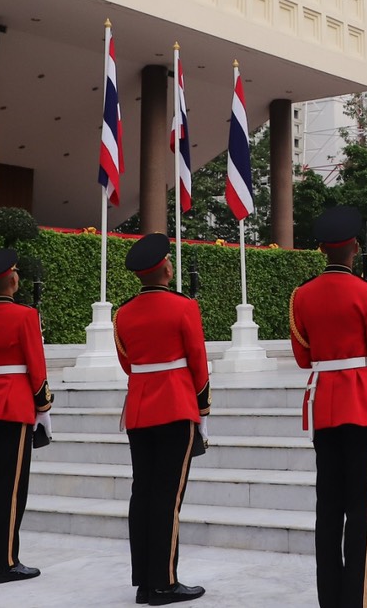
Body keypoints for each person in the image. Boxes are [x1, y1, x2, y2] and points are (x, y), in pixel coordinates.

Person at [289, 206, 367, 608]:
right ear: (354, 248)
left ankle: (330, 599)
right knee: (363, 511)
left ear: (322, 250)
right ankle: (358, 600)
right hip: (362, 403)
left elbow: (303, 357)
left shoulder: (302, 295)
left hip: (323, 405)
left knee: (328, 508)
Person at [113, 233, 209, 606]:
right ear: (166, 269)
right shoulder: (184, 307)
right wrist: (203, 409)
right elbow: (198, 362)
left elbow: (127, 363)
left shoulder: (123, 313)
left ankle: (144, 580)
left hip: (139, 408)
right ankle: (165, 582)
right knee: (168, 497)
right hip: (174, 406)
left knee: (143, 494)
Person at [0, 248, 50, 584]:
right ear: (14, 280)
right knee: (12, 485)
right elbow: (36, 364)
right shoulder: (26, 315)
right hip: (16, 402)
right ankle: (5, 561)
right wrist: (43, 405)